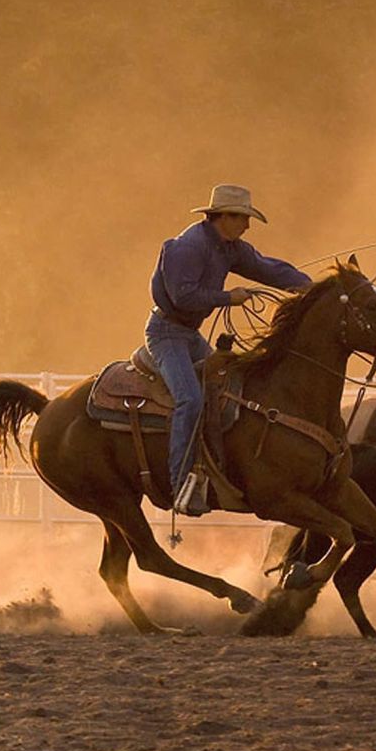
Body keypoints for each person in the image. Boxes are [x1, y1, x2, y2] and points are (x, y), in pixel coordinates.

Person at [146, 184, 312, 515]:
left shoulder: (229, 247)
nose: (247, 226)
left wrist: (310, 287)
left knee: (228, 388)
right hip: (167, 334)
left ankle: (211, 469)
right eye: (243, 219)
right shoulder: (188, 247)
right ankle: (180, 484)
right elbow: (182, 296)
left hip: (188, 334)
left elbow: (268, 268)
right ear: (223, 217)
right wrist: (227, 298)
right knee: (190, 399)